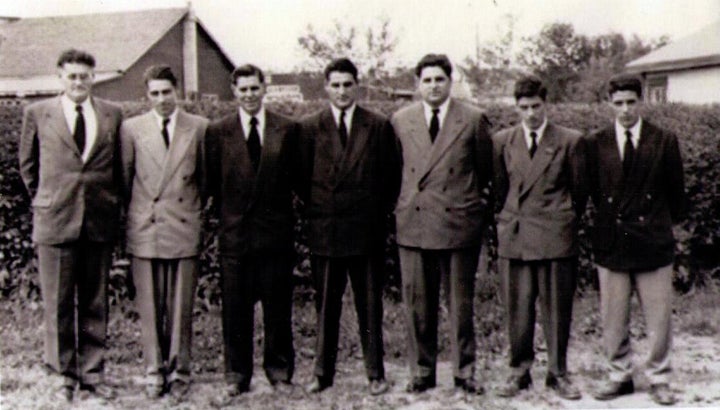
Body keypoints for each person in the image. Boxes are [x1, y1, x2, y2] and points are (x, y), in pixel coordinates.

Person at [18, 49, 123, 402]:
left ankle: (92, 372)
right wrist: (47, 199)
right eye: (72, 76)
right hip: (55, 219)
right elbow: (27, 165)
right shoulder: (38, 113)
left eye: (85, 75)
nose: (79, 82)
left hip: (98, 219)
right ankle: (63, 374)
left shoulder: (112, 114)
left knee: (94, 301)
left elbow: (119, 168)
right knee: (58, 302)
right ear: (60, 77)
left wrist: (109, 203)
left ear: (94, 77)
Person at [391, 53, 492, 395]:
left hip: (457, 225)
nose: (433, 86)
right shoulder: (401, 120)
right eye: (427, 80)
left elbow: (484, 171)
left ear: (451, 83)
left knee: (460, 305)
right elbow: (395, 172)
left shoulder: (474, 119)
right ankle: (422, 371)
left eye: (440, 79)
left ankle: (465, 372)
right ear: (417, 84)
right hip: (415, 225)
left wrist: (468, 206)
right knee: (418, 304)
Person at [298, 58, 400, 396]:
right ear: (326, 87)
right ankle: (322, 373)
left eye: (347, 84)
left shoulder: (378, 125)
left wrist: (374, 216)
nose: (342, 91)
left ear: (357, 85)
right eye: (335, 85)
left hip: (365, 231)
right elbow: (301, 181)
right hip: (326, 231)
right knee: (326, 306)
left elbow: (390, 179)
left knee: (369, 305)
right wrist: (323, 211)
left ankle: (375, 373)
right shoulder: (310, 127)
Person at [588, 74, 685, 406]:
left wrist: (661, 228)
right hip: (612, 242)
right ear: (609, 104)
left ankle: (659, 377)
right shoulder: (595, 143)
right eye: (618, 103)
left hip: (652, 242)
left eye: (631, 102)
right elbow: (590, 194)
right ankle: (619, 375)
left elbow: (677, 195)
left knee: (659, 317)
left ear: (640, 102)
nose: (625, 109)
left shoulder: (663, 140)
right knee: (613, 316)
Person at [206, 64, 300, 403]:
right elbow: (212, 185)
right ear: (234, 91)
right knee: (235, 310)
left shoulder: (286, 129)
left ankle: (279, 373)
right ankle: (237, 376)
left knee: (278, 309)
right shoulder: (217, 132)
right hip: (237, 237)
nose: (249, 95)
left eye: (254, 88)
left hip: (275, 237)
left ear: (264, 89)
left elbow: (296, 181)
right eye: (242, 89)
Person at [492, 76, 586, 400]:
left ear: (546, 104)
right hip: (516, 237)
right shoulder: (502, 141)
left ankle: (557, 373)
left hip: (554, 236)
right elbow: (501, 189)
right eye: (524, 107)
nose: (531, 114)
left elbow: (579, 193)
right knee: (517, 309)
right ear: (516, 107)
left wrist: (559, 218)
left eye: (536, 106)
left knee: (557, 309)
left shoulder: (570, 141)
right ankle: (519, 371)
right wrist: (511, 219)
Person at [120, 65, 209, 400]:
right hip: (147, 225)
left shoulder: (199, 128)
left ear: (178, 91)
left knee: (181, 305)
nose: (161, 100)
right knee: (149, 305)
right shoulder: (131, 129)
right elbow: (125, 178)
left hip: (183, 223)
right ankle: (153, 370)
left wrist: (194, 213)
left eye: (166, 92)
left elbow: (206, 180)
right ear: (147, 96)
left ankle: (181, 371)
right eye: (154, 94)